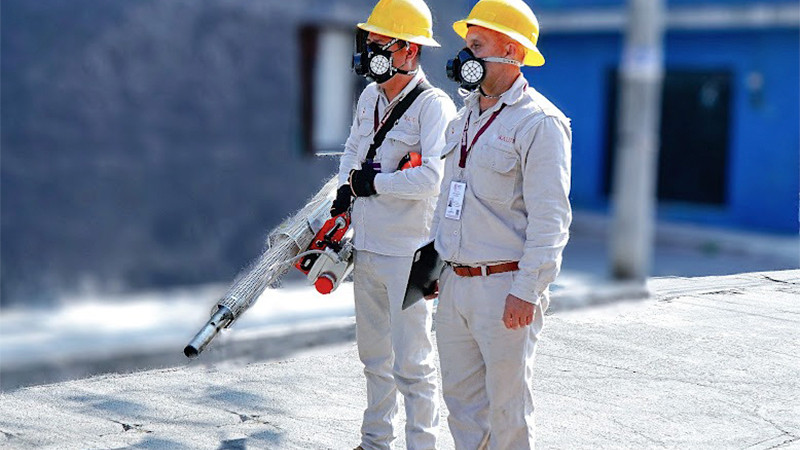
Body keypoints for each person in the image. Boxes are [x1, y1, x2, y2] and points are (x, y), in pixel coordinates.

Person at [429, 0, 572, 447]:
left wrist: (527, 290)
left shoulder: (540, 123)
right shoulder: (464, 116)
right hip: (454, 284)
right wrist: (436, 266)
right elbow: (451, 197)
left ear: (511, 51)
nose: (464, 57)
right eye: (466, 46)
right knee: (461, 408)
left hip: (504, 287)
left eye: (476, 46)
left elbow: (551, 219)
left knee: (508, 412)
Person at [330, 0, 456, 448]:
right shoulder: (369, 96)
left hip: (409, 254)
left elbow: (432, 178)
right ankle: (374, 441)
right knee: (374, 359)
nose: (371, 52)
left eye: (381, 44)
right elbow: (351, 150)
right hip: (367, 246)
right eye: (370, 43)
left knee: (414, 365)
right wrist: (347, 184)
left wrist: (376, 183)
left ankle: (422, 444)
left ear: (410, 51)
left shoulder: (434, 107)